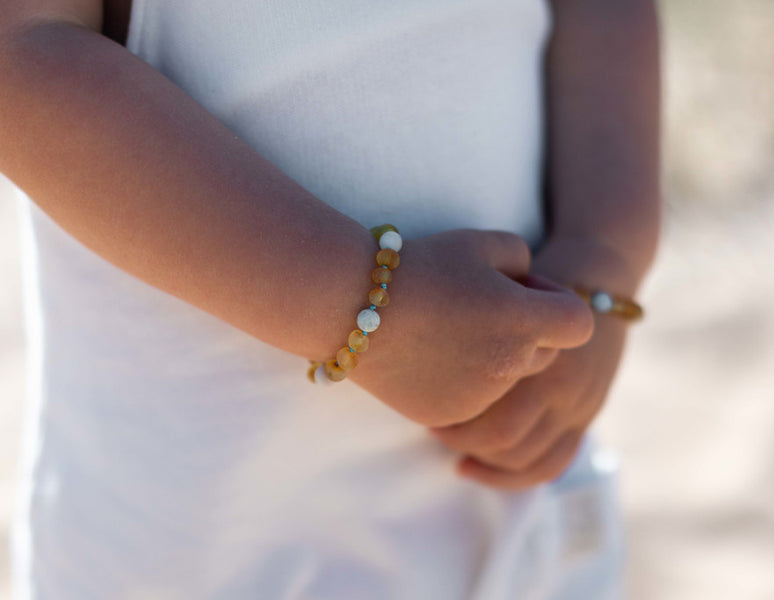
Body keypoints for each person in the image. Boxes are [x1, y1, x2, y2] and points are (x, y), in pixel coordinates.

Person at [0, 0, 660, 597]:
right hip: (206, 554)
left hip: (521, 539)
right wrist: (370, 308)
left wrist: (601, 261)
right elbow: (23, 54)